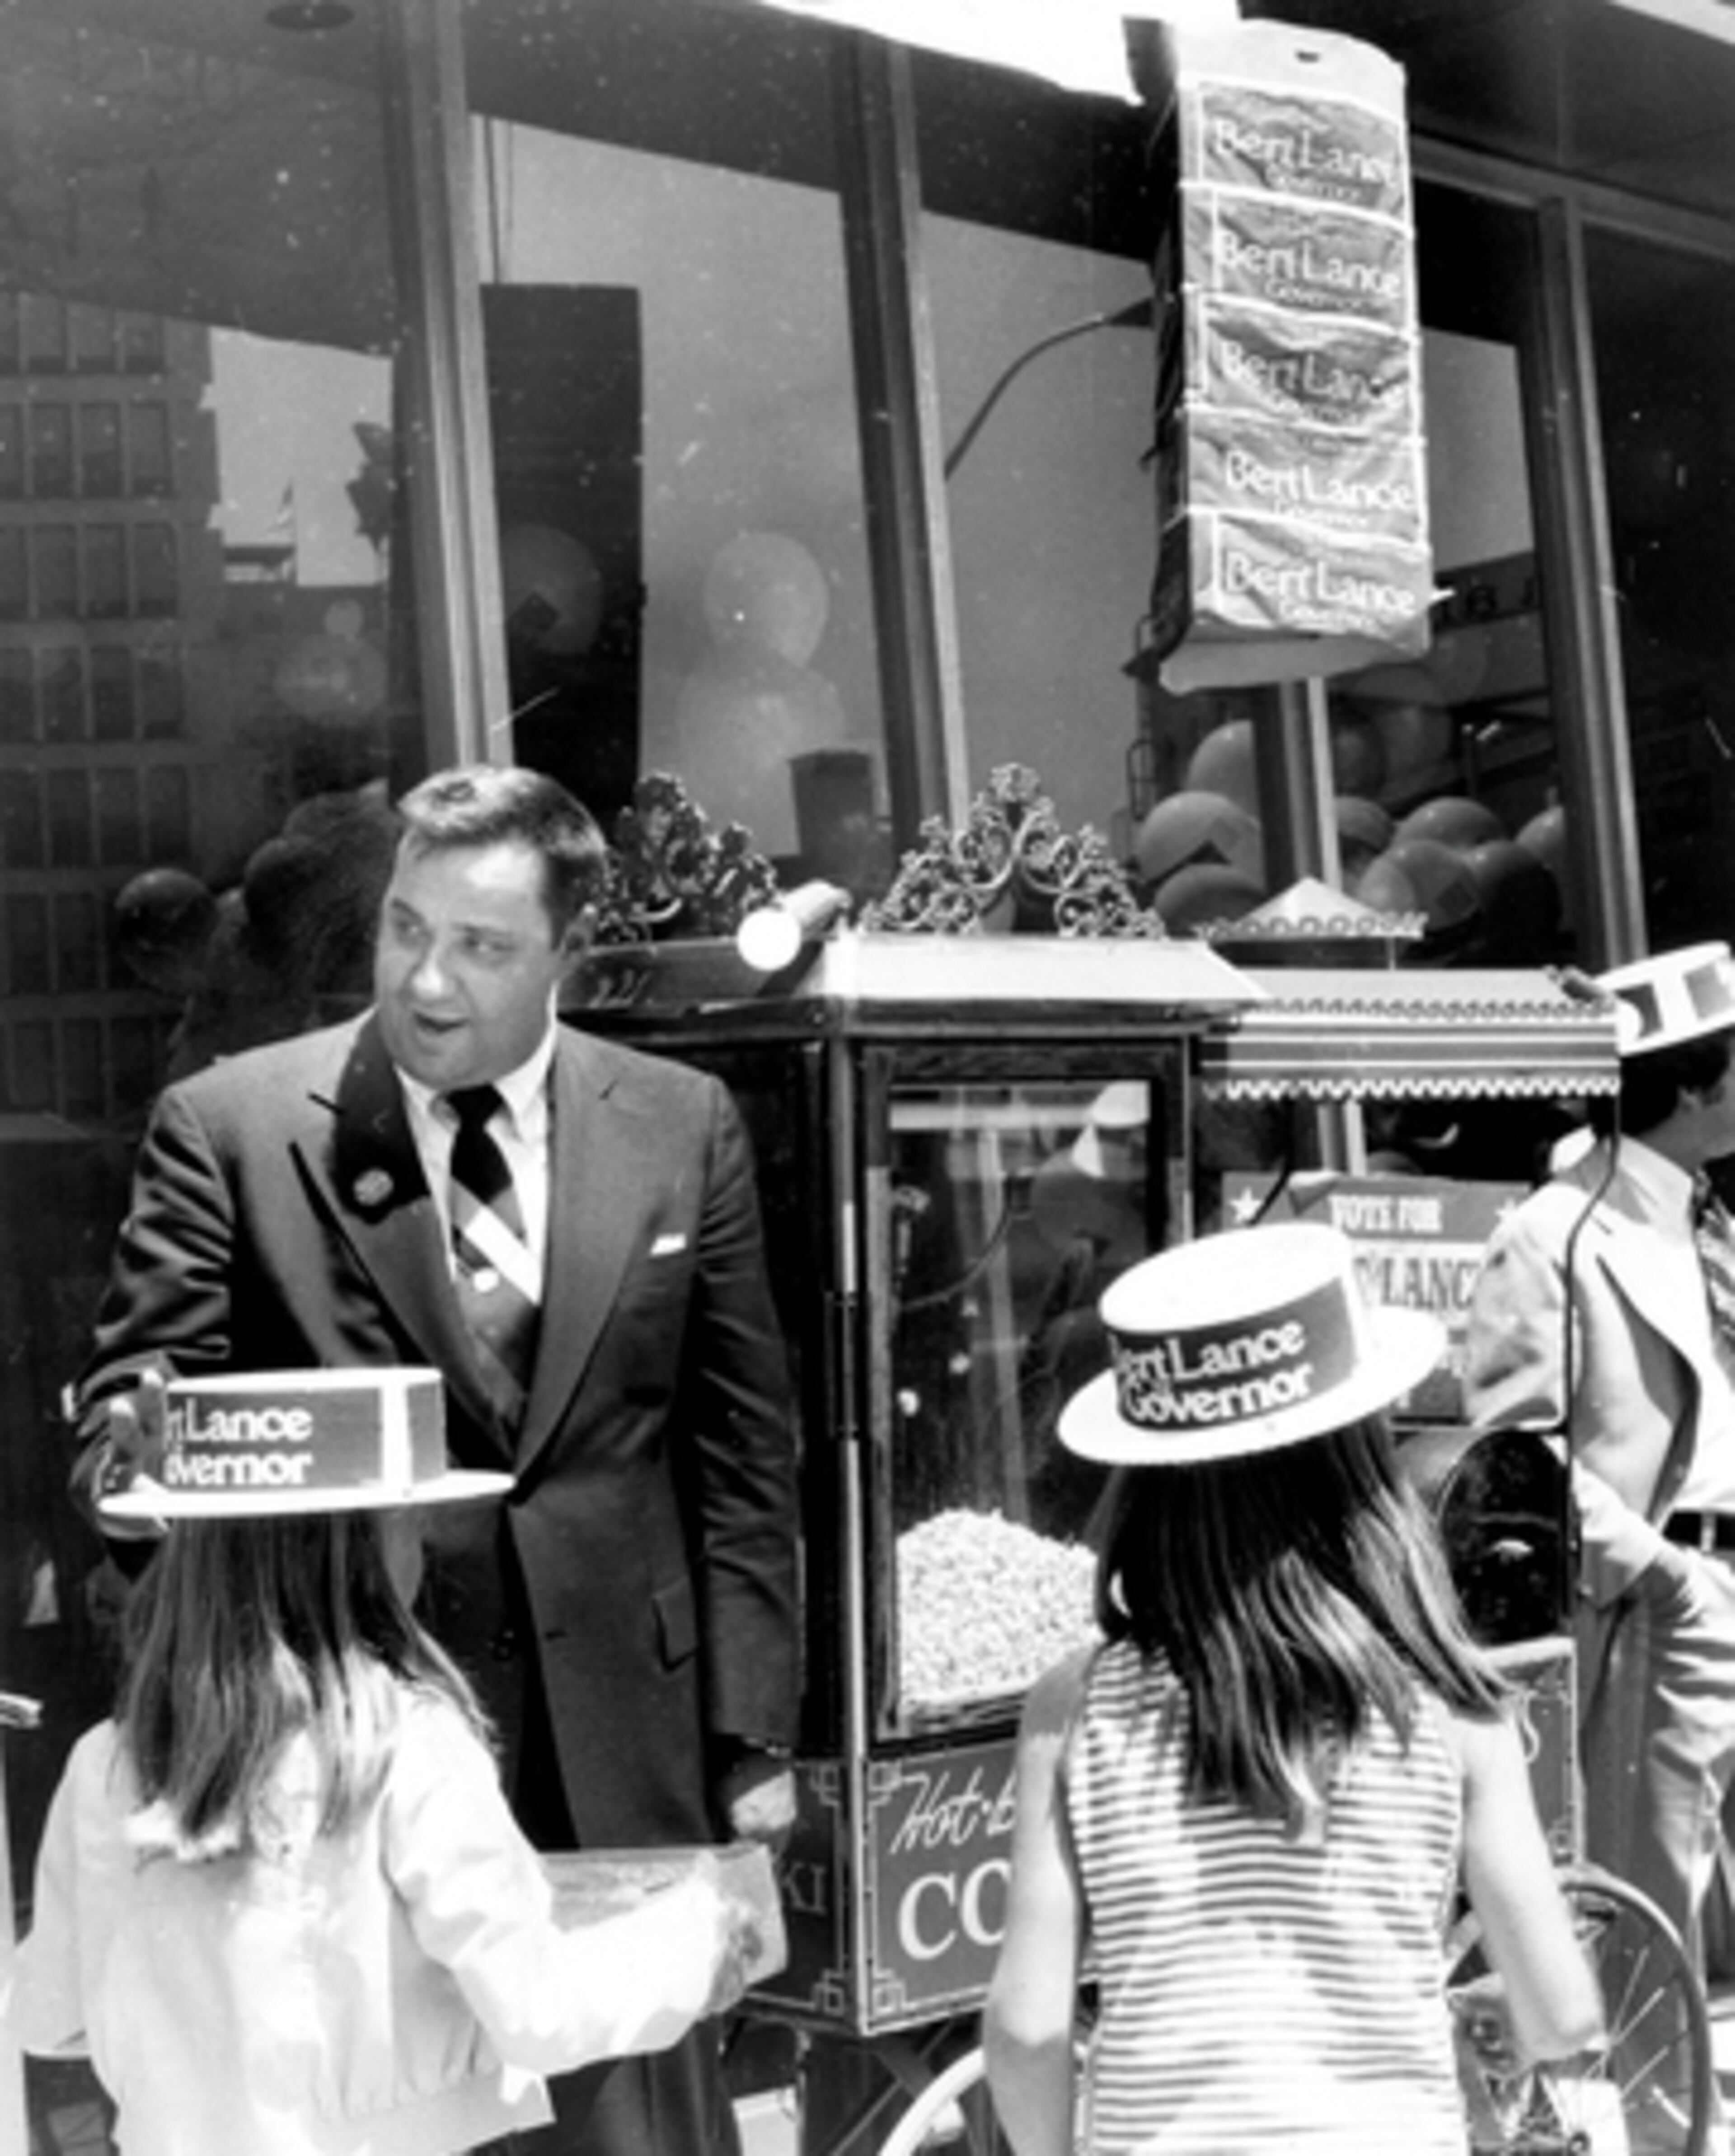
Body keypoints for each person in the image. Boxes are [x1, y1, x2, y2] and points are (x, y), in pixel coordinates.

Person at [66, 762, 802, 2156]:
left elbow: (742, 1448)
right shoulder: (233, 1125)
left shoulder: (680, 1120)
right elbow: (133, 1433)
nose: (428, 980)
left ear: (568, 949)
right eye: (406, 928)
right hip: (348, 1767)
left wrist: (752, 1732)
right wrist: (142, 1485)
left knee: (628, 2125)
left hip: (621, 1755)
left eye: (482, 945)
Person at [6, 1369, 769, 2156]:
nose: (422, 1544)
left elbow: (49, 2014)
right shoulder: (405, 1746)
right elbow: (537, 2007)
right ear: (362, 1549)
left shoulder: (108, 1763)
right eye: (411, 1519)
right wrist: (698, 1939)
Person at [984, 1221, 1602, 2156]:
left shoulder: (1074, 1708)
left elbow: (1028, 2029)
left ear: (1147, 1477)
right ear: (1362, 1462)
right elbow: (1562, 2014)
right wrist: (1501, 2015)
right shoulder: (1448, 1703)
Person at [1463, 940, 1735, 1979]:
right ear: (1696, 1083)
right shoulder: (1553, 1231)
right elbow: (1516, 1452)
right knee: (1651, 1903)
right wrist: (1660, 1572)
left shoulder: (1703, 1216)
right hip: (1667, 1598)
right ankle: (1650, 2090)